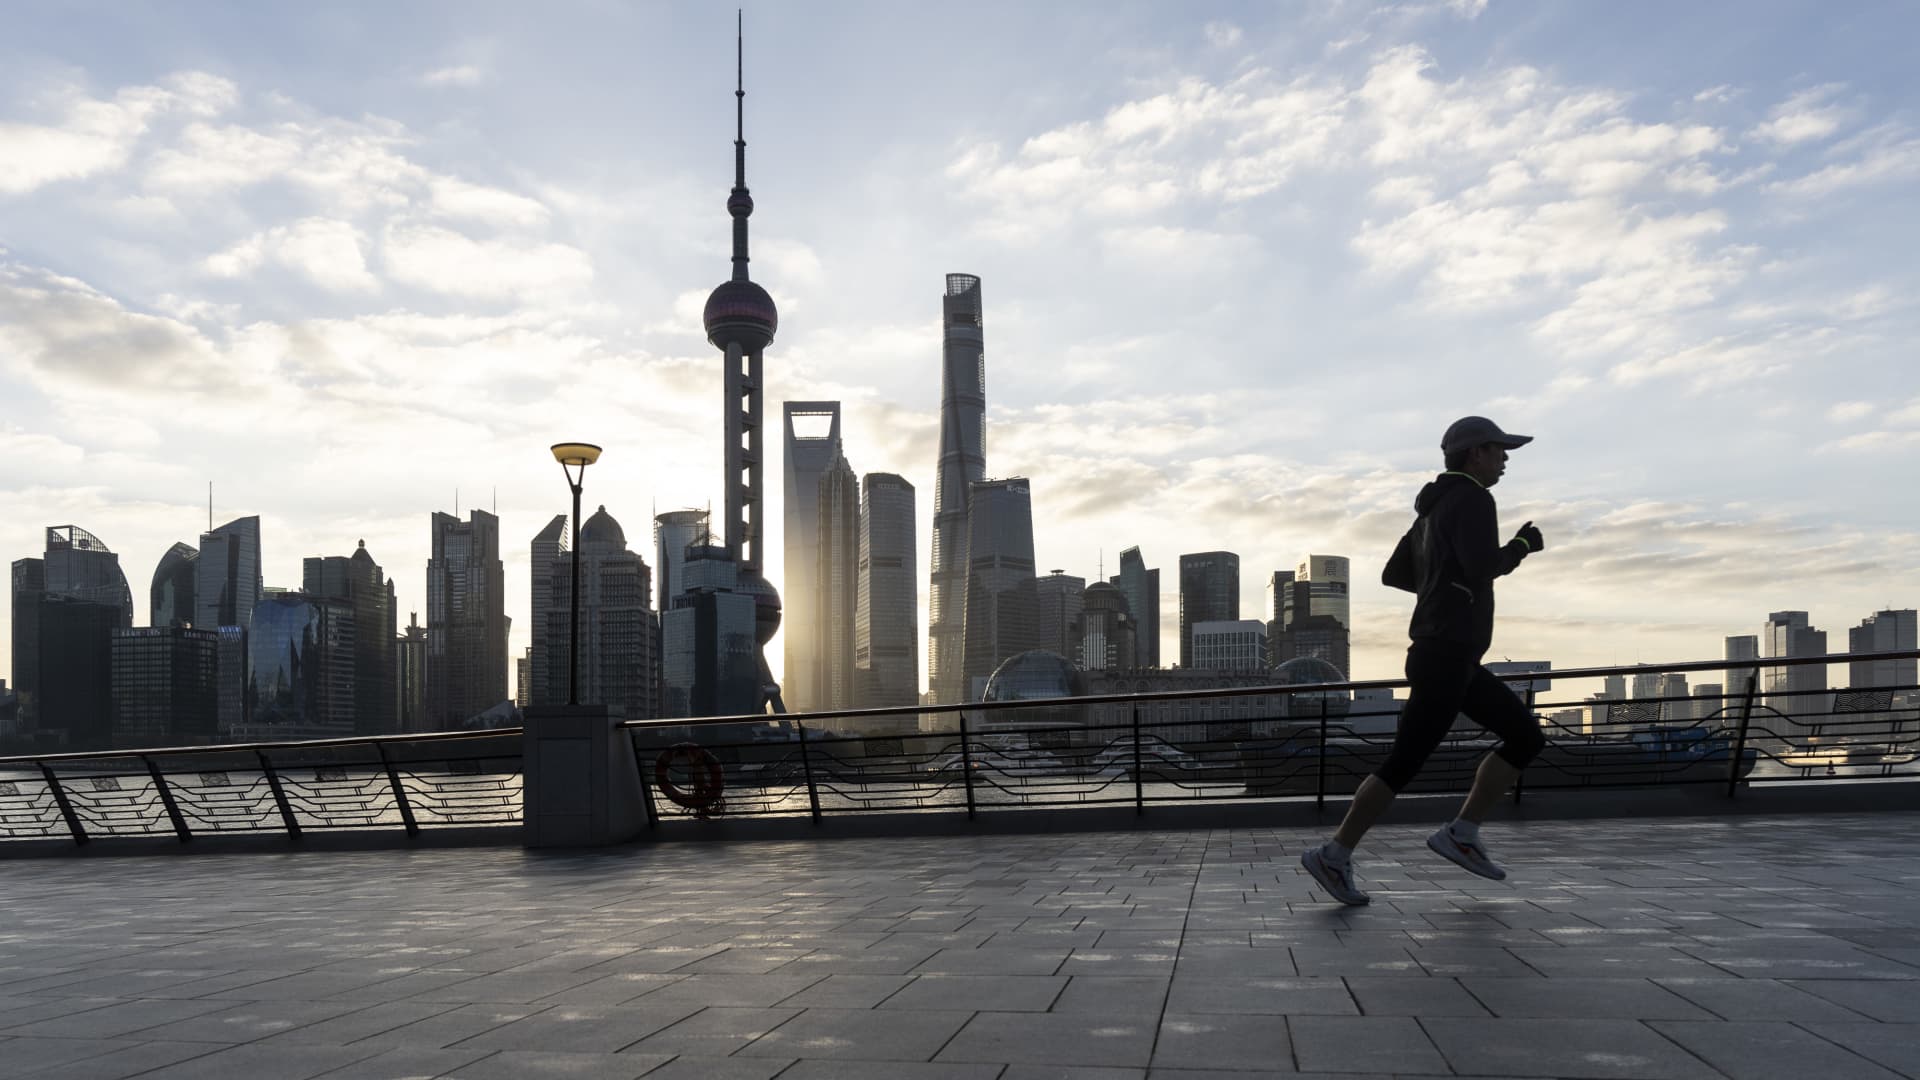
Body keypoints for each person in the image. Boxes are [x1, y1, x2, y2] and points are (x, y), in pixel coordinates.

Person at [1301, 416, 1547, 906]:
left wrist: (1442, 588)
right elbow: (1482, 567)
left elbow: (1396, 573)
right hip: (1447, 652)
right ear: (1476, 452)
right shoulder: (1475, 497)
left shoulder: (1430, 511)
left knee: (1525, 735)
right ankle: (1336, 853)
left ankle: (1461, 831)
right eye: (1500, 450)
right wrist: (1521, 546)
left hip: (1448, 652)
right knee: (1405, 761)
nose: (1505, 460)